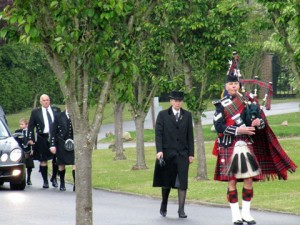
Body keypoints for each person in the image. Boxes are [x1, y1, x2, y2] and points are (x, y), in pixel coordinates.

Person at [212, 75, 297, 225]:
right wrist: (239, 130)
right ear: (226, 86)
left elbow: (262, 122)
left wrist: (259, 122)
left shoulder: (248, 101)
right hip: (229, 144)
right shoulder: (221, 105)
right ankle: (235, 215)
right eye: (231, 84)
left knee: (249, 179)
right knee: (231, 181)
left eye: (236, 84)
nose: (234, 86)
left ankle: (246, 213)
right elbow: (218, 127)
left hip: (246, 143)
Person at [153, 91, 194, 218]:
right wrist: (159, 150)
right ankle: (164, 203)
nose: (177, 103)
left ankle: (181, 210)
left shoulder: (187, 115)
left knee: (182, 182)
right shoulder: (163, 115)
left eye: (180, 101)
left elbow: (190, 136)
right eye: (175, 101)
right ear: (171, 101)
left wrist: (191, 153)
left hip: (182, 154)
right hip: (167, 153)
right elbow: (158, 134)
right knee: (167, 182)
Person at [27, 94, 61, 188]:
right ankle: (45, 181)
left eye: (47, 100)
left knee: (56, 159)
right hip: (42, 137)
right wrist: (30, 138)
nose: (46, 102)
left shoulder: (56, 110)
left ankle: (54, 178)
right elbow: (30, 127)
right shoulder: (36, 112)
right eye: (44, 100)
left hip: (55, 137)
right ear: (40, 102)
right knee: (43, 159)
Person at [50, 105, 76, 191]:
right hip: (61, 142)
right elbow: (53, 131)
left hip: (74, 142)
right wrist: (52, 145)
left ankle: (76, 184)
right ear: (66, 106)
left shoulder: (77, 116)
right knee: (61, 164)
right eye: (68, 105)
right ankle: (62, 183)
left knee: (75, 163)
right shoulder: (58, 116)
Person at [15, 118, 35, 185]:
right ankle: (20, 178)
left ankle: (29, 178)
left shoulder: (30, 132)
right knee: (21, 165)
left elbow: (34, 141)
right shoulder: (18, 132)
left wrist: (32, 146)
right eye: (20, 124)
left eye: (22, 124)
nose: (21, 126)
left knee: (29, 166)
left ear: (27, 125)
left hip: (28, 150)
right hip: (21, 150)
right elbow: (16, 141)